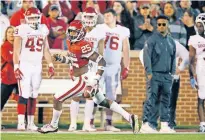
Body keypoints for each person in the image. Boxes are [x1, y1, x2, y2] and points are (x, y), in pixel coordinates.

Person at [38, 20, 138, 134]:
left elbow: (102, 61)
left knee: (57, 98)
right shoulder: (71, 42)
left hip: (84, 79)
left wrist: (95, 79)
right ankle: (130, 117)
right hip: (81, 77)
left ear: (81, 33)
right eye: (70, 32)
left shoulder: (84, 45)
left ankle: (53, 125)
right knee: (103, 102)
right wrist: (62, 59)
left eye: (74, 32)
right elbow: (75, 60)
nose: (71, 34)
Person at [13, 7, 55, 131]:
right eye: (31, 18)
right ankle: (21, 122)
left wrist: (50, 64)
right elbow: (16, 50)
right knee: (24, 93)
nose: (33, 20)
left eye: (36, 17)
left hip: (38, 65)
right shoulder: (21, 29)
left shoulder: (43, 29)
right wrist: (16, 66)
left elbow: (46, 49)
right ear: (26, 18)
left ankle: (31, 122)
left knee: (34, 93)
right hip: (25, 65)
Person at [68, 7, 105, 132]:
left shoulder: (100, 31)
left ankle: (86, 124)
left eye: (91, 17)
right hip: (79, 66)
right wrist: (70, 66)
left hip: (92, 67)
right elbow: (71, 50)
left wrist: (99, 71)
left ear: (95, 18)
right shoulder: (77, 28)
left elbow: (101, 52)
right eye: (87, 17)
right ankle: (73, 124)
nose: (89, 19)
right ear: (83, 17)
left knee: (90, 95)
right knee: (76, 95)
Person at [140, 15, 176, 133]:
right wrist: (149, 72)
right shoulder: (151, 40)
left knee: (166, 100)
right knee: (151, 99)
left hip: (167, 75)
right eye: (159, 24)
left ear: (167, 25)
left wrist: (172, 73)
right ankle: (147, 124)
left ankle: (164, 124)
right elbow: (147, 57)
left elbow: (173, 58)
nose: (161, 26)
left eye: (163, 24)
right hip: (154, 74)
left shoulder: (171, 41)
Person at [100, 8, 130, 132]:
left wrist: (127, 66)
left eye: (108, 15)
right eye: (105, 15)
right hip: (99, 66)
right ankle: (89, 122)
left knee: (111, 96)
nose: (106, 17)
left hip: (114, 66)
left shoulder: (122, 30)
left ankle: (108, 123)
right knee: (94, 93)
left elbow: (126, 49)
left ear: (114, 17)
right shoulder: (100, 28)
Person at [189, 13, 205, 132]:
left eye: (201, 25)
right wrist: (192, 76)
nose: (198, 28)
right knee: (201, 98)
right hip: (201, 68)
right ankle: (203, 125)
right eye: (197, 25)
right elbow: (191, 60)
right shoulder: (194, 39)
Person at [1, 26, 18, 111]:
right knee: (1, 102)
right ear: (6, 34)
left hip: (19, 79)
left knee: (24, 102)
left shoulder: (20, 45)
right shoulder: (4, 46)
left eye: (13, 32)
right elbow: (11, 59)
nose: (11, 34)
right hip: (8, 79)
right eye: (9, 32)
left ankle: (26, 123)